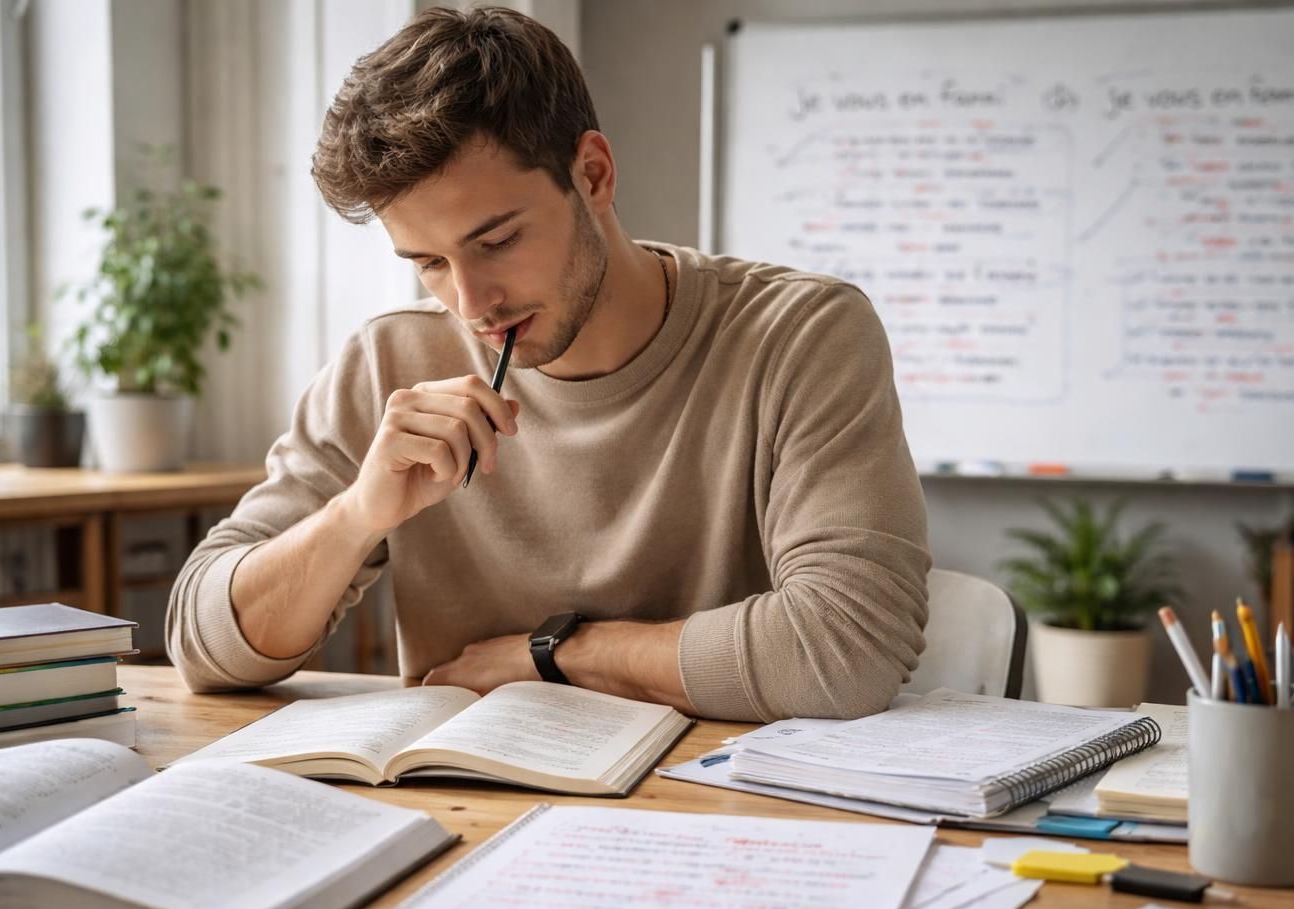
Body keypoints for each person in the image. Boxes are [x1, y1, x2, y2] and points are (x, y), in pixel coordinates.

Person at [166, 5, 930, 722]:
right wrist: (357, 515)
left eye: (497, 241)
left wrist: (557, 656)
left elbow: (849, 646)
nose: (471, 302)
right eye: (428, 262)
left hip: (717, 800)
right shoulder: (389, 361)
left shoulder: (801, 335)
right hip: (462, 800)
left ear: (592, 175)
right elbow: (200, 643)